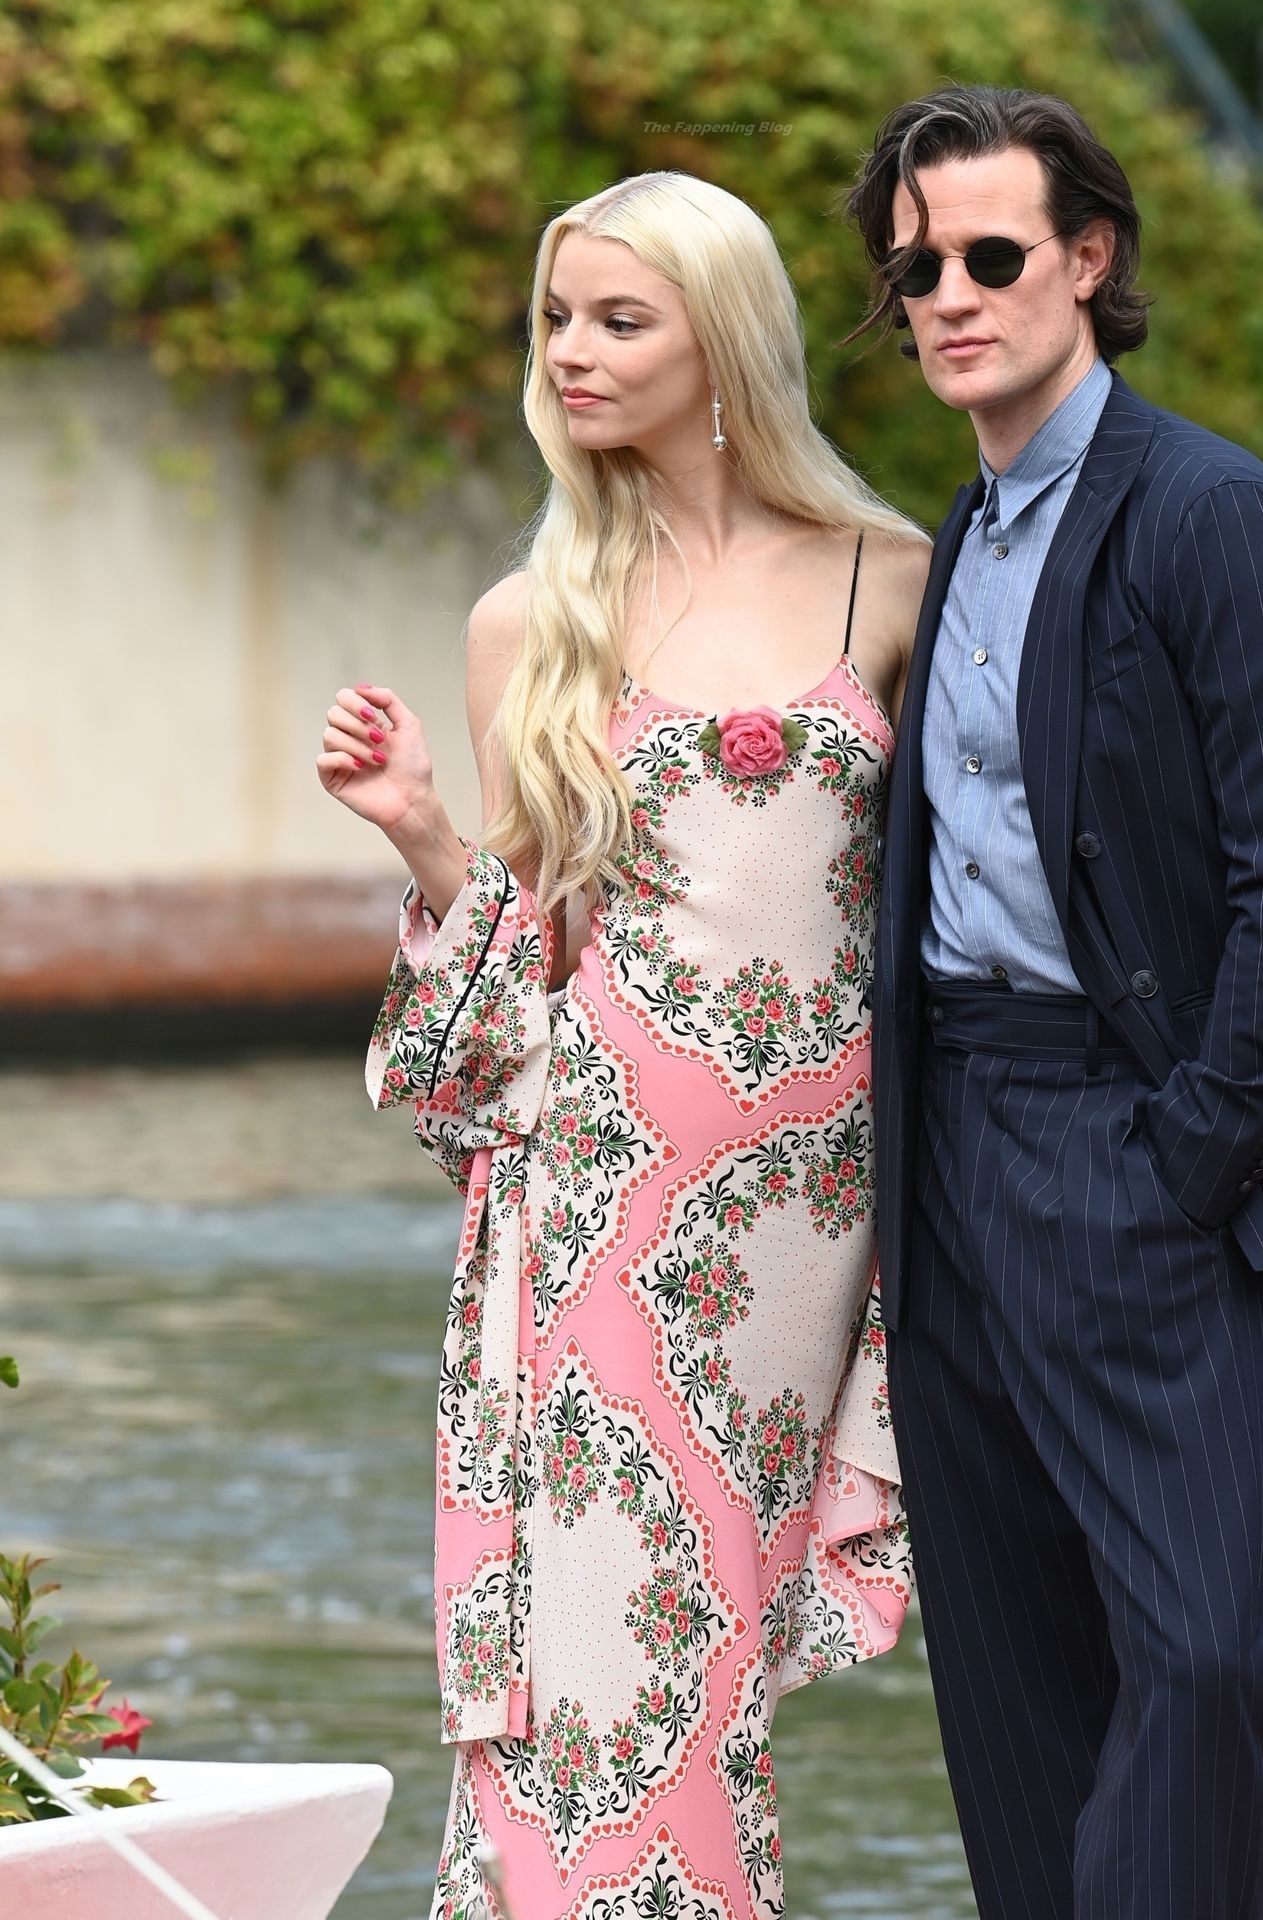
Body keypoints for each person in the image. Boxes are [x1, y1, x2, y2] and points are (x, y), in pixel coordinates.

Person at [842, 84, 1263, 1919]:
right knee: (1015, 1676)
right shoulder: (964, 533)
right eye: (917, 269)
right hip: (953, 1148)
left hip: (1131, 1145)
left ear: (1089, 258)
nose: (952, 296)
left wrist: (1184, 1168)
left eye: (991, 255)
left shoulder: (1216, 518)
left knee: (1189, 1660)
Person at [317, 170, 931, 1920]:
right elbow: (518, 989)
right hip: (594, 1207)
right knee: (599, 1674)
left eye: (617, 318)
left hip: (812, 1224)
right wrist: (423, 832)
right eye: (556, 320)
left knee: (709, 1671)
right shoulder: (531, 621)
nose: (569, 353)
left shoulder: (894, 579)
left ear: (721, 340)